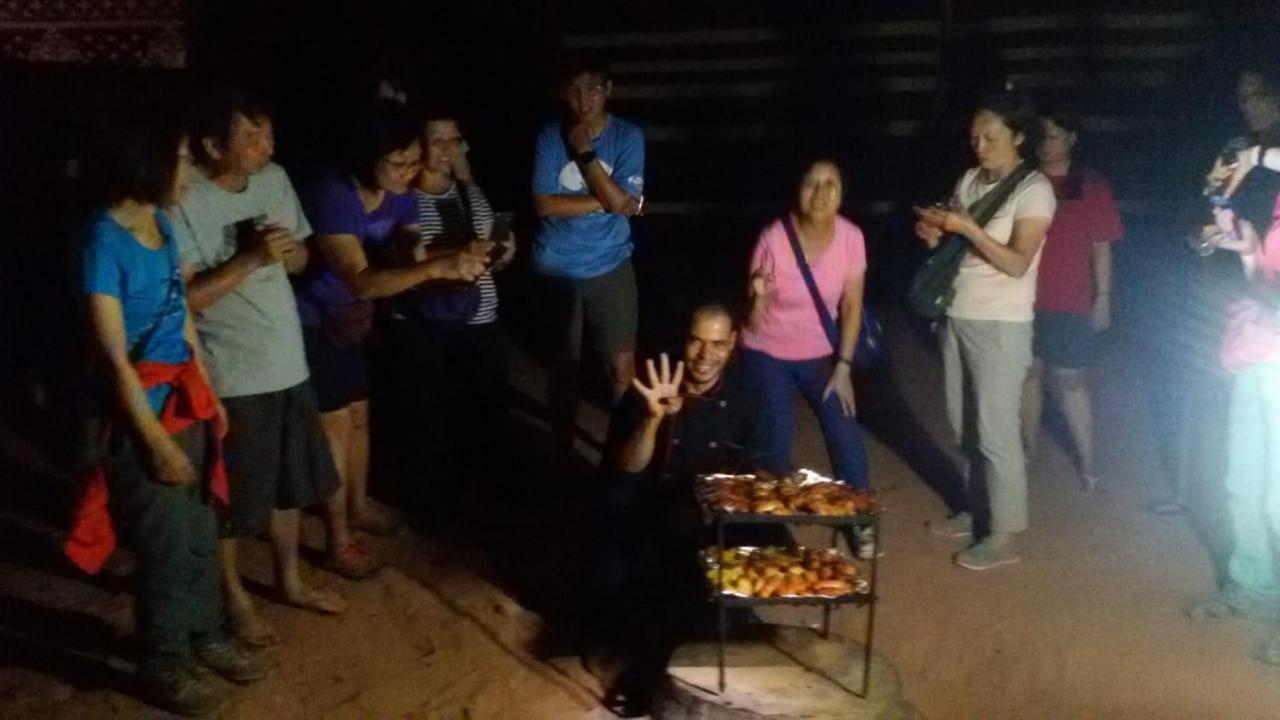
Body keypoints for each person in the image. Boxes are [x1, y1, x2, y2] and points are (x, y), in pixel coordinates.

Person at [172, 87, 369, 650]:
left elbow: (304, 257)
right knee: (230, 499)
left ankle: (289, 580)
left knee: (288, 486)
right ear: (213, 144)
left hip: (287, 361)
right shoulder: (186, 198)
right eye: (251, 135)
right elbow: (184, 299)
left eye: (269, 132)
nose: (267, 145)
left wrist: (287, 253)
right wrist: (249, 259)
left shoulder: (274, 179)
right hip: (233, 373)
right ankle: (232, 601)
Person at [80, 112, 263, 715]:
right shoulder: (102, 243)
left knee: (200, 530)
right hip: (142, 415)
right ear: (146, 162)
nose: (187, 169)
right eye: (181, 159)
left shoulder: (160, 222)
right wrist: (154, 441)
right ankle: (163, 660)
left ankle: (203, 634)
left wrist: (207, 393)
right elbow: (114, 361)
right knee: (162, 543)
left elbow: (177, 311)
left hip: (185, 401)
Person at [294, 101, 488, 537]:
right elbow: (360, 280)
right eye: (399, 162)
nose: (408, 172)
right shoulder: (334, 194)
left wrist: (456, 255)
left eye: (414, 161)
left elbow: (408, 255)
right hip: (314, 318)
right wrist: (437, 269)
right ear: (367, 156)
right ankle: (337, 534)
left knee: (360, 414)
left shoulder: (400, 195)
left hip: (355, 319)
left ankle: (358, 507)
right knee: (336, 424)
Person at [596, 303, 781, 716]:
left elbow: (763, 465)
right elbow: (626, 469)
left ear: (732, 343)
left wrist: (759, 486)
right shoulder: (651, 383)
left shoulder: (747, 392)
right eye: (697, 341)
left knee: (767, 541)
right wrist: (653, 419)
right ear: (684, 340)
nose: (704, 355)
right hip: (653, 503)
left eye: (717, 343)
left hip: (717, 510)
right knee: (626, 529)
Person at [914, 89, 1056, 571]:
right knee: (963, 423)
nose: (979, 145)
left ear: (1017, 136)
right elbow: (953, 242)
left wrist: (969, 229)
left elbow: (1017, 263)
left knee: (996, 432)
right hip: (958, 314)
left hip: (1002, 323)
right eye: (974, 136)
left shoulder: (1033, 190)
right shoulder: (970, 180)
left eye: (990, 136)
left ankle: (1003, 535)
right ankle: (976, 507)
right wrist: (936, 232)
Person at [1151, 63, 1280, 516]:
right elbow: (1205, 208)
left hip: (1269, 297)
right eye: (1243, 96)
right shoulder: (1234, 148)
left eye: (1260, 94)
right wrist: (1203, 239)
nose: (1250, 106)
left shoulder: (1269, 157)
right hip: (1222, 287)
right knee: (1200, 388)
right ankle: (1191, 493)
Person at [382, 106, 514, 506]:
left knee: (484, 414)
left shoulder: (471, 193)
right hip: (426, 324)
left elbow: (494, 251)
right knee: (433, 419)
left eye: (452, 141)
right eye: (436, 141)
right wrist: (461, 252)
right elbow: (409, 257)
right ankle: (438, 504)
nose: (445, 150)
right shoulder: (403, 199)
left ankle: (482, 501)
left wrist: (504, 251)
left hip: (480, 318)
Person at [741, 158, 873, 555]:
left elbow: (852, 307)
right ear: (798, 190)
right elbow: (752, 318)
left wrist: (844, 368)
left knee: (844, 425)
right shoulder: (774, 238)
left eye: (830, 184)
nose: (819, 193)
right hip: (767, 350)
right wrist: (759, 297)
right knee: (775, 439)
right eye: (811, 183)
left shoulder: (851, 237)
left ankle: (857, 518)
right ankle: (771, 528)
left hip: (819, 354)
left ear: (841, 193)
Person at [1185, 146, 1280, 660]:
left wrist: (1253, 155)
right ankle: (1254, 583)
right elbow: (1265, 283)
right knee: (1242, 482)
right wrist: (1245, 248)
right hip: (1261, 354)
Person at [532, 55, 644, 464]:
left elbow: (621, 205)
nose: (584, 99)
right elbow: (544, 205)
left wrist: (583, 154)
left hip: (610, 263)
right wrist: (608, 199)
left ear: (608, 90)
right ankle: (562, 455)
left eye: (593, 88)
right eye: (575, 89)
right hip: (556, 268)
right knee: (564, 371)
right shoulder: (548, 136)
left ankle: (622, 454)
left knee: (622, 368)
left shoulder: (628, 136)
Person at [1020, 111, 1124, 492]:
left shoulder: (1091, 185)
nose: (1047, 144)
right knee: (1027, 376)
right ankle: (1028, 455)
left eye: (1055, 136)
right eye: (1042, 136)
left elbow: (1102, 248)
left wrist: (1104, 297)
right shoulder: (1025, 182)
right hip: (1023, 297)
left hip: (1071, 297)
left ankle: (1088, 460)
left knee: (1071, 383)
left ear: (1072, 138)